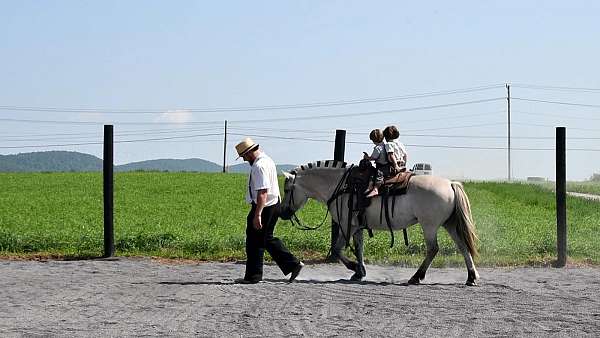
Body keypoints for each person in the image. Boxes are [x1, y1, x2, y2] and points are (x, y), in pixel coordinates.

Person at [234, 137, 304, 284]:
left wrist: (257, 214)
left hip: (265, 206)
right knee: (256, 240)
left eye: (244, 157)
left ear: (248, 153)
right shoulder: (268, 160)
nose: (245, 160)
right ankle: (253, 276)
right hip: (272, 204)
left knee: (264, 239)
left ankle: (293, 264)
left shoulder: (259, 166)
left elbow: (262, 192)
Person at [362, 129, 387, 198]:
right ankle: (370, 186)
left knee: (377, 176)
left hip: (381, 166)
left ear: (374, 140)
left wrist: (367, 157)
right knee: (373, 173)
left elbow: (373, 157)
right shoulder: (385, 145)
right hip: (385, 165)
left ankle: (375, 189)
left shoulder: (378, 148)